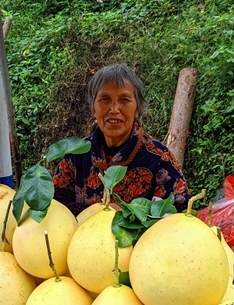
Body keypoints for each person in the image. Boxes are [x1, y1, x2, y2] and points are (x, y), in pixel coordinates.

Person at [53, 63, 190, 215]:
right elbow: (56, 205)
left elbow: (178, 212)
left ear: (137, 109)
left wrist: (130, 216)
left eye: (124, 99)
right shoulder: (76, 154)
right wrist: (101, 213)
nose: (114, 109)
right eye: (105, 99)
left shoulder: (159, 158)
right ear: (93, 108)